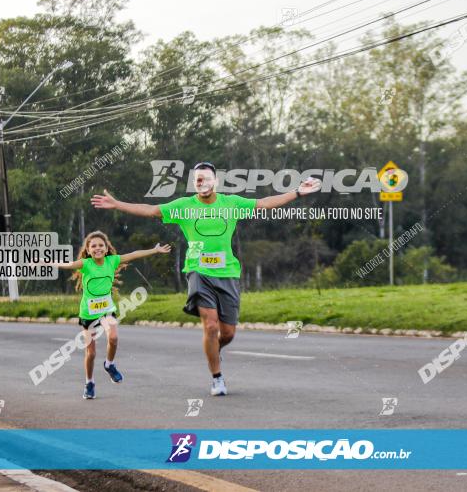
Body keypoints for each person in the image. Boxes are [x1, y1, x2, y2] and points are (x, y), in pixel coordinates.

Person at [91, 162, 320, 396]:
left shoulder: (231, 203)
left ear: (216, 182)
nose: (203, 183)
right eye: (198, 179)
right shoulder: (184, 206)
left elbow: (263, 203)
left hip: (227, 272)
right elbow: (151, 210)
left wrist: (298, 192)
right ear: (194, 184)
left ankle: (214, 350)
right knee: (210, 325)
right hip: (198, 271)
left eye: (207, 178)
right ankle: (217, 378)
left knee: (228, 333)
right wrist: (117, 204)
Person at [55, 230, 171, 399]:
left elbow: (134, 254)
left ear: (106, 248)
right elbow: (68, 264)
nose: (97, 248)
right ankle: (89, 383)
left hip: (107, 309)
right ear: (88, 250)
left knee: (114, 337)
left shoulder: (112, 260)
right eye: (93, 246)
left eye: (101, 245)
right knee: (91, 353)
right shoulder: (86, 264)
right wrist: (44, 262)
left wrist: (154, 250)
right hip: (88, 313)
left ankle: (109, 364)